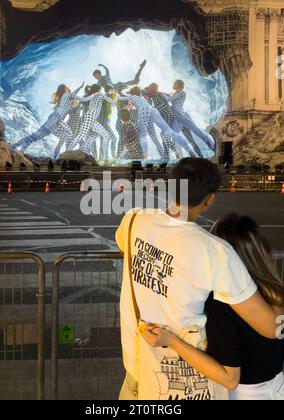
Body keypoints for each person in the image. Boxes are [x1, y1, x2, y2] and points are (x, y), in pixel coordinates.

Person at [116, 158, 283, 400]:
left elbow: (126, 246)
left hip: (139, 361)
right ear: (210, 199)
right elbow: (271, 328)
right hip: (188, 377)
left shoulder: (133, 220)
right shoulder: (216, 252)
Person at [142, 214, 284, 400]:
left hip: (244, 394)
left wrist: (171, 341)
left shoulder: (223, 304)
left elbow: (229, 378)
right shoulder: (275, 291)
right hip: (278, 385)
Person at [118, 87, 196, 159]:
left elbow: (121, 97)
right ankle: (190, 151)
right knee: (169, 131)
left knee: (143, 135)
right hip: (153, 110)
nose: (128, 106)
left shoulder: (133, 97)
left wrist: (120, 94)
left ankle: (145, 157)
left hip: (144, 110)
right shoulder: (141, 99)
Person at [13, 83, 84, 153]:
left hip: (55, 122)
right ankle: (16, 147)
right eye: (67, 87)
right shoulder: (65, 96)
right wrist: (80, 87)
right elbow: (74, 94)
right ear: (64, 90)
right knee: (35, 136)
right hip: (55, 119)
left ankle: (20, 148)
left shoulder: (67, 101)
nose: (68, 88)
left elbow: (75, 104)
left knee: (35, 137)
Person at [165, 80, 216, 153]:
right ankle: (180, 155)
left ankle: (213, 146)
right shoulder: (175, 93)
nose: (172, 84)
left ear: (178, 85)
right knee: (174, 135)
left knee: (198, 132)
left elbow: (169, 99)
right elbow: (169, 96)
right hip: (178, 118)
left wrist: (159, 93)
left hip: (182, 116)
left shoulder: (181, 92)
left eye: (174, 83)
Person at [69, 84, 116, 158]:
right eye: (100, 90)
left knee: (106, 135)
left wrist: (74, 96)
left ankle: (103, 157)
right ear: (99, 90)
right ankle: (69, 151)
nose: (101, 91)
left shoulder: (92, 96)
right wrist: (113, 100)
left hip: (91, 119)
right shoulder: (100, 95)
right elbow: (109, 99)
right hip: (90, 117)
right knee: (82, 135)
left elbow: (83, 99)